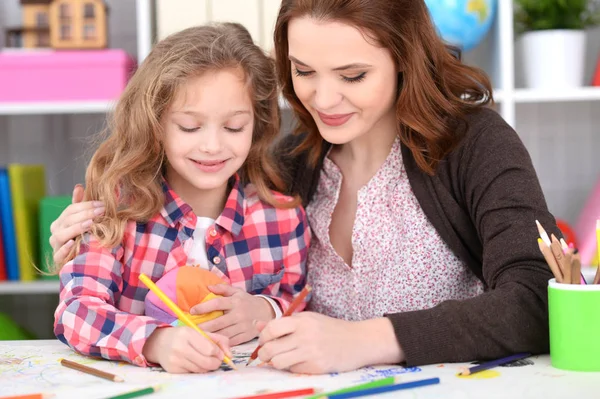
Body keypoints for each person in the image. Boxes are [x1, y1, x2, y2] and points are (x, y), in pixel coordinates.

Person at [50, 0, 558, 374]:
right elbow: (202, 245)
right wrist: (86, 236)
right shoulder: (286, 166)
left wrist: (366, 341)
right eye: (303, 71)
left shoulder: (475, 144)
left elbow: (538, 298)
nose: (324, 97)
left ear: (405, 59)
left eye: (353, 75)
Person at [52, 23, 310, 374]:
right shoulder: (116, 211)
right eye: (190, 127)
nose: (212, 145)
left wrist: (264, 310)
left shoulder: (281, 219)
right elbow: (76, 311)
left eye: (234, 127)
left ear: (257, 123)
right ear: (155, 125)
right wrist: (155, 341)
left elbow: (301, 301)